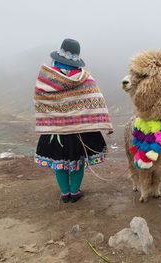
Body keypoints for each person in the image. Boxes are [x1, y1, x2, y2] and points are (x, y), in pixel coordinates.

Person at [34, 38, 113, 203]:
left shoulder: (46, 77)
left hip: (55, 131)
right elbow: (96, 99)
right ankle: (75, 192)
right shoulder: (85, 78)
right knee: (78, 163)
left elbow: (41, 99)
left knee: (60, 164)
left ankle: (65, 194)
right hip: (81, 131)